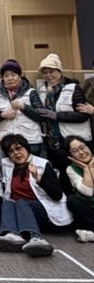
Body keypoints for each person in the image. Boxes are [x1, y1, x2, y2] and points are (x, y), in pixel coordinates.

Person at [0, 134, 73, 257]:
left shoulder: (42, 164)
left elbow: (57, 195)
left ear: (26, 148)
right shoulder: (7, 165)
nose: (16, 153)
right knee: (7, 203)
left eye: (19, 148)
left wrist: (39, 178)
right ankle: (12, 234)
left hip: (47, 213)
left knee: (21, 202)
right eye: (11, 151)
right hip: (22, 213)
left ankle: (36, 237)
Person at [36, 53, 91, 195]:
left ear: (60, 72)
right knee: (63, 180)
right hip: (54, 144)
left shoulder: (73, 88)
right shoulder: (43, 91)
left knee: (81, 178)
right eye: (45, 73)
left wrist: (57, 116)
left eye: (52, 71)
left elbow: (83, 115)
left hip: (75, 142)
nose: (48, 75)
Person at [0, 59, 45, 156]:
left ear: (20, 76)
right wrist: (2, 115)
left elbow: (41, 116)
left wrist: (24, 107)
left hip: (30, 141)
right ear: (3, 78)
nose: (10, 78)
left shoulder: (31, 92)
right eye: (6, 76)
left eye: (13, 75)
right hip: (8, 143)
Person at [64, 136, 94, 242]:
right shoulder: (71, 169)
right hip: (91, 211)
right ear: (71, 155)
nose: (81, 152)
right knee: (72, 200)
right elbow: (88, 192)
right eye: (75, 151)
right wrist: (87, 169)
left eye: (82, 147)